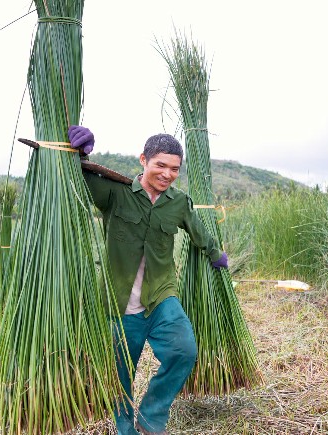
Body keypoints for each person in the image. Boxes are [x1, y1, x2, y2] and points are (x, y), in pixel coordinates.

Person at [68, 125, 229, 435]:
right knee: (121, 376)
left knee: (184, 351)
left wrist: (214, 253)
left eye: (174, 169)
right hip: (119, 303)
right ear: (143, 160)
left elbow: (197, 231)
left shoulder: (178, 202)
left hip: (160, 297)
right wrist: (79, 153)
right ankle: (125, 429)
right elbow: (76, 181)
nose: (167, 174)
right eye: (160, 165)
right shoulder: (116, 193)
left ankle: (152, 415)